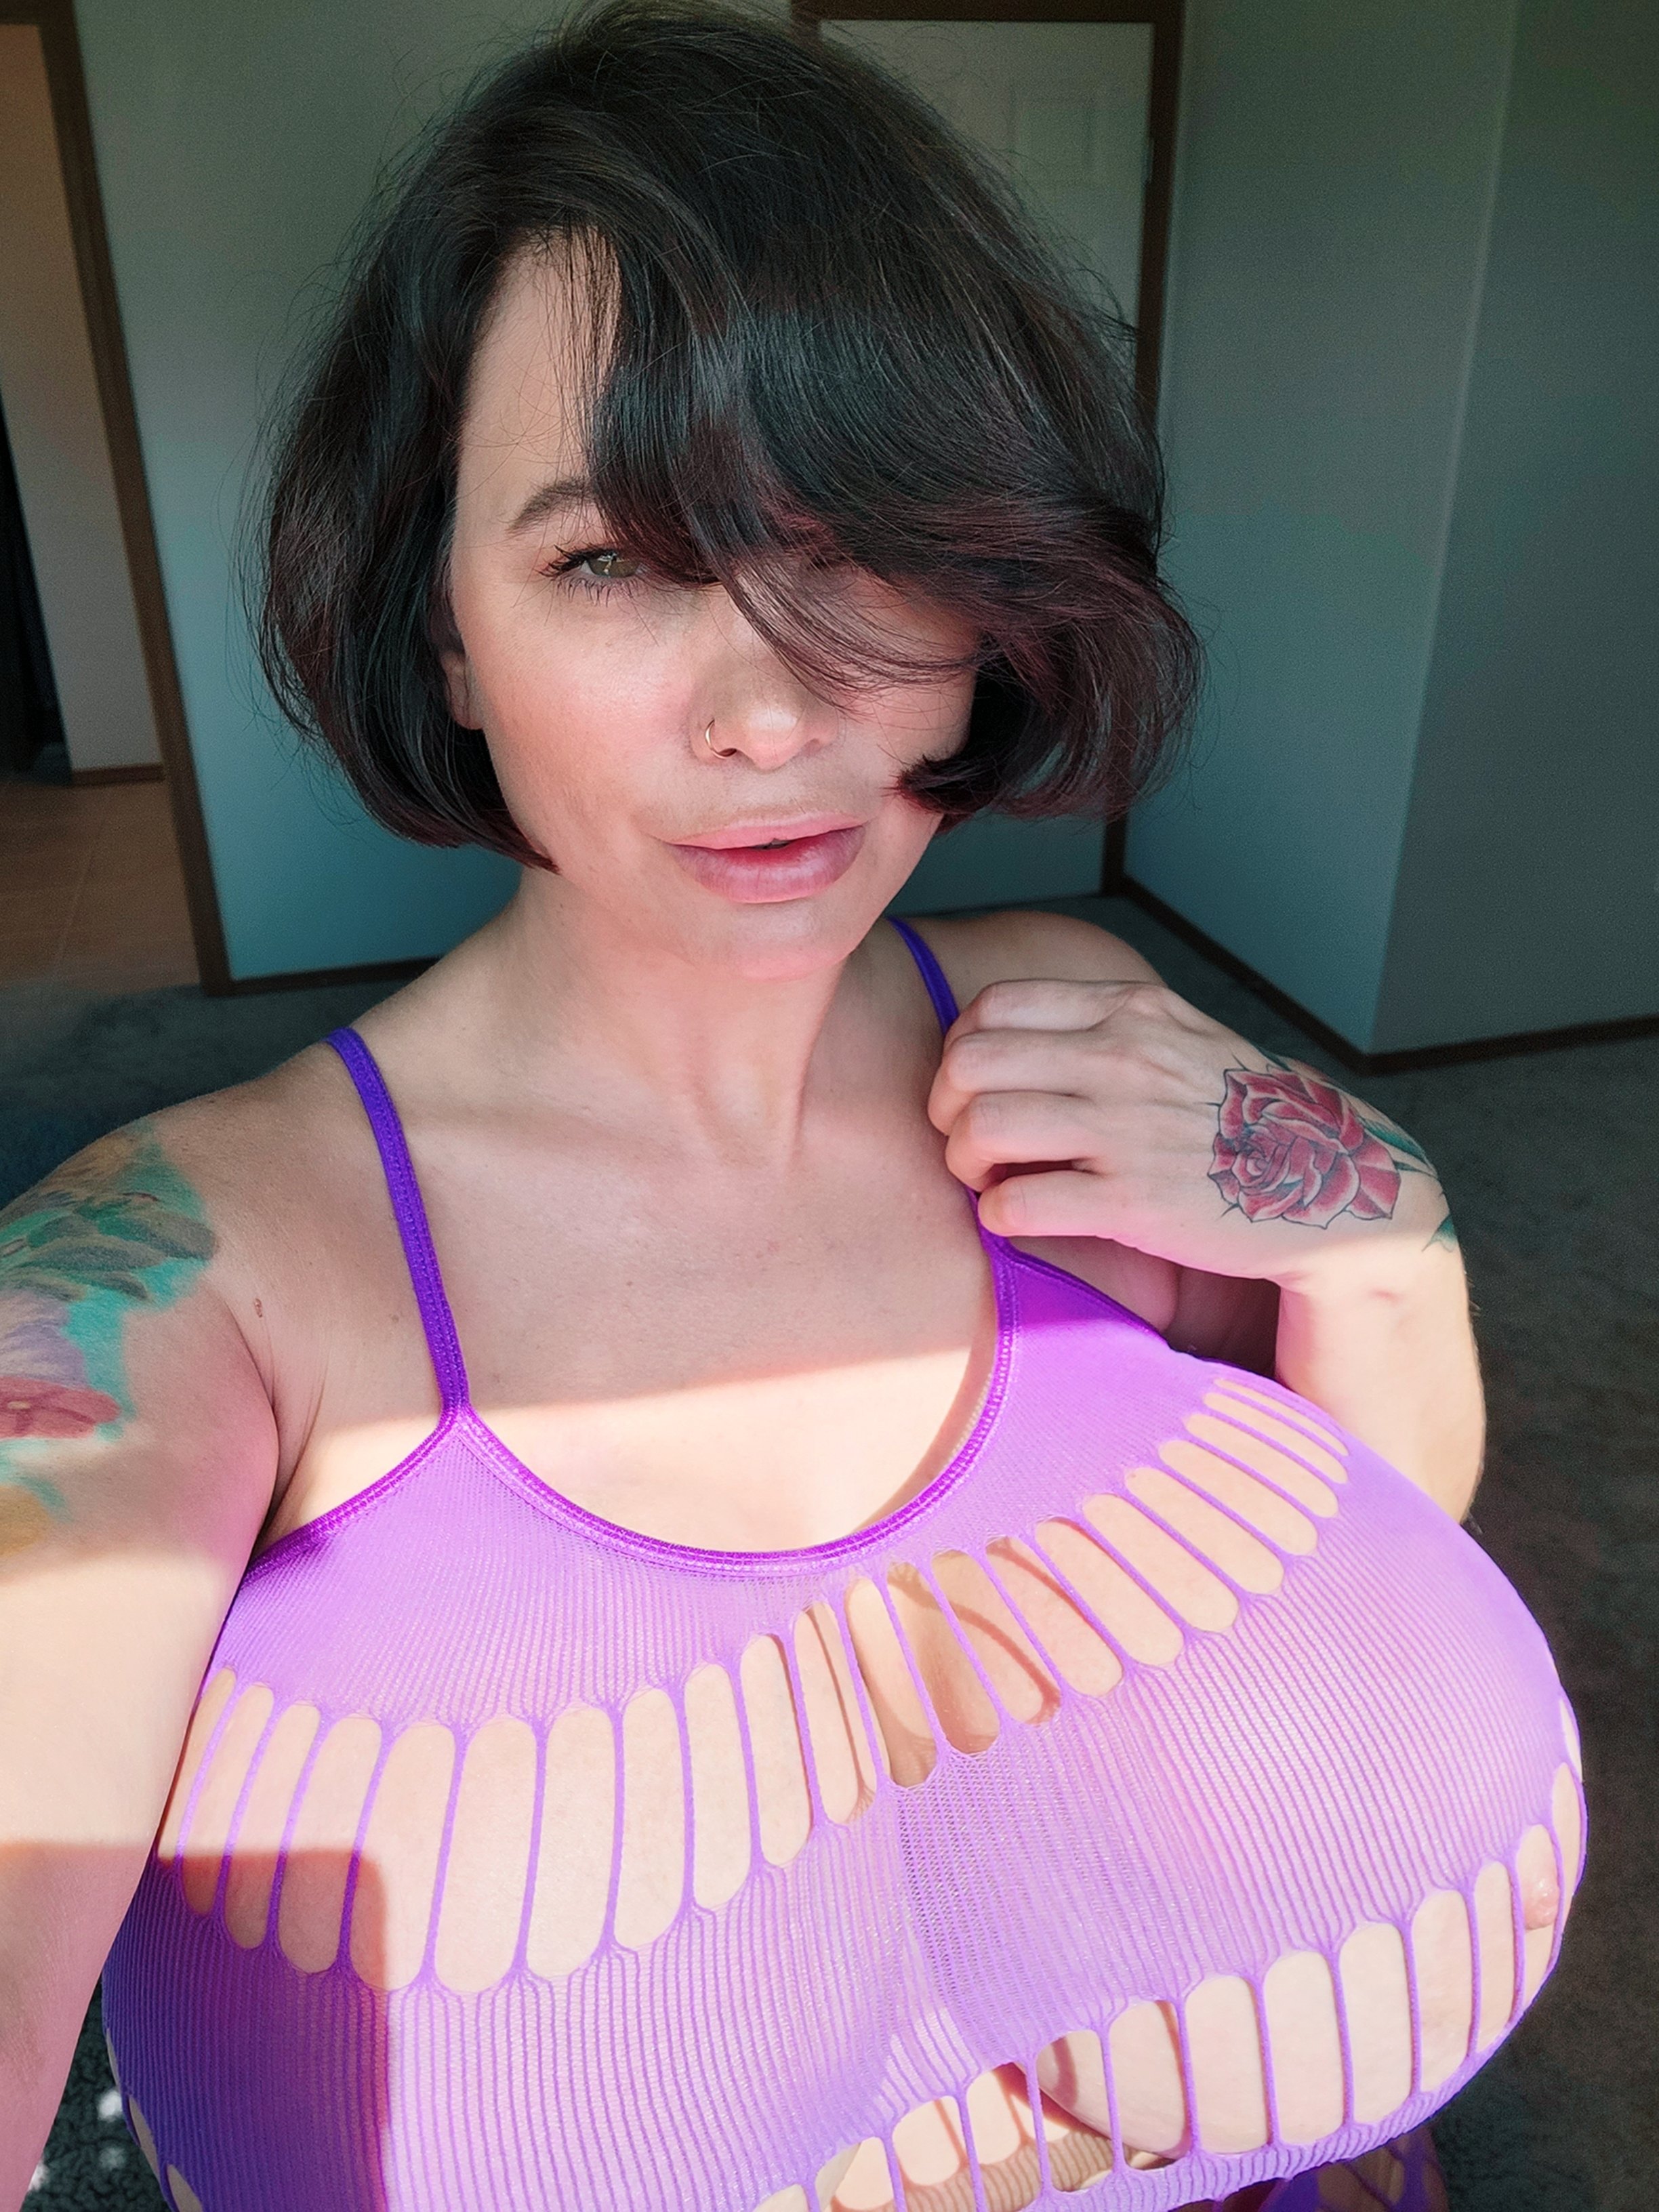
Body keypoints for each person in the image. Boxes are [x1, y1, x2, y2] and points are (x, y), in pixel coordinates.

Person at [0, 4, 1578, 2207]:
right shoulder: (186, 1287)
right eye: (611, 561)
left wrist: (1385, 1243)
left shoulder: (1078, 1039)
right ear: (445, 632)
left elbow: (1365, 1558)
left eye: (868, 544)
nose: (770, 714)